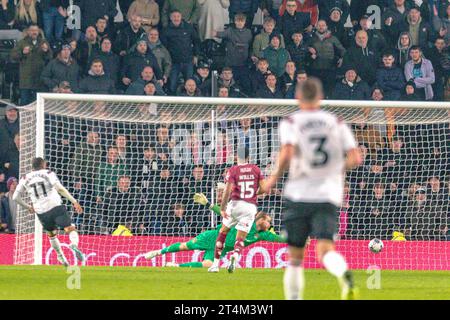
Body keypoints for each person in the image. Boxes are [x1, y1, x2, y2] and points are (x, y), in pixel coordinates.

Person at [263, 78, 362, 300]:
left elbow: (287, 152)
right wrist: (334, 169)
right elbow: (356, 157)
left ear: (298, 97)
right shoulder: (336, 122)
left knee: (296, 258)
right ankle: (342, 273)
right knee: (325, 251)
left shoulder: (291, 121)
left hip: (299, 194)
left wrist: (273, 178)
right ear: (320, 98)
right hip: (327, 195)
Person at [144, 190, 285, 268]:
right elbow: (224, 213)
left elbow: (278, 238)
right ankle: (158, 252)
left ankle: (176, 266)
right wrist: (208, 204)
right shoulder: (244, 219)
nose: (269, 224)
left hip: (221, 249)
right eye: (268, 221)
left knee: (208, 264)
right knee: (185, 246)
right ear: (261, 219)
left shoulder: (262, 235)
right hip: (213, 237)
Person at [12, 157, 84, 266]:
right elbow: (59, 189)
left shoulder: (24, 178)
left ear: (32, 166)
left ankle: (60, 256)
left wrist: (28, 207)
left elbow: (15, 197)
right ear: (43, 165)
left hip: (41, 212)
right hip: (55, 207)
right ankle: (74, 244)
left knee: (52, 234)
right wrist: (74, 201)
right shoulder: (48, 173)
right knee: (70, 228)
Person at [208, 147, 265, 273]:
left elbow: (227, 191)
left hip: (235, 205)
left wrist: (222, 208)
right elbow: (265, 188)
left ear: (236, 157)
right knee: (240, 239)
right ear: (248, 157)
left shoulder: (233, 170)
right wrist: (254, 193)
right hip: (250, 207)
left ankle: (215, 265)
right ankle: (235, 255)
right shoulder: (256, 169)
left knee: (223, 232)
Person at [10, 24, 52, 105]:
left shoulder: (44, 42)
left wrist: (46, 51)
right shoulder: (22, 42)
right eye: (32, 30)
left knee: (38, 105)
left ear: (38, 32)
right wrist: (22, 53)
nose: (34, 32)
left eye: (36, 30)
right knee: (25, 105)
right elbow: (12, 56)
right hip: (26, 82)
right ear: (28, 32)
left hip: (39, 80)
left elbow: (50, 57)